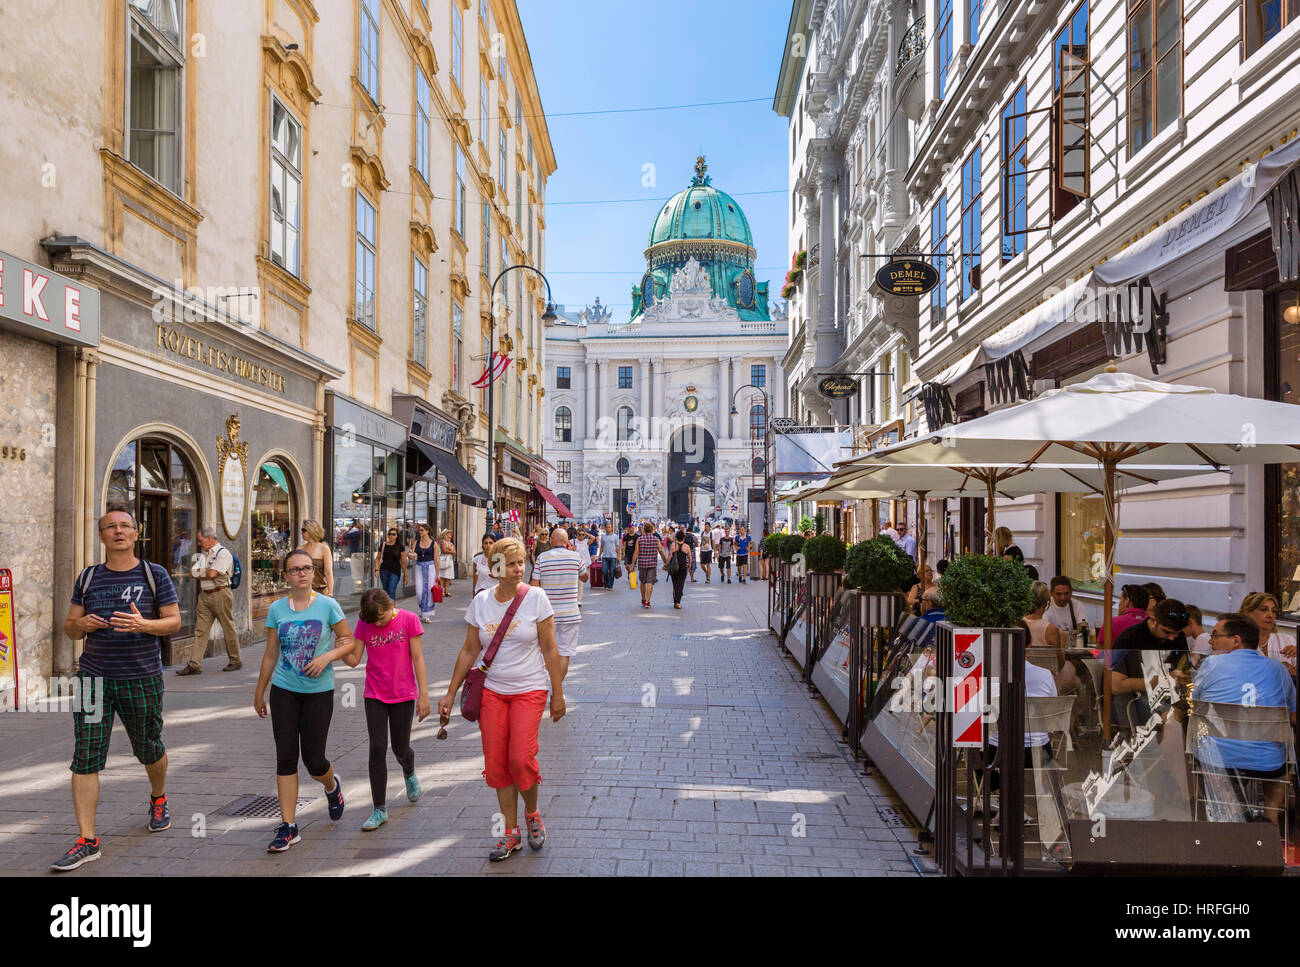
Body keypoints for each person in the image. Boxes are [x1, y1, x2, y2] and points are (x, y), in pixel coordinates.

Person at [52, 508, 181, 872]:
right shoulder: (89, 576)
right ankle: (87, 839)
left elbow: (174, 622)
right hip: (93, 680)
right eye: (111, 527)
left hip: (141, 677)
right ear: (101, 536)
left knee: (149, 747)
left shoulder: (154, 575)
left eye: (125, 526)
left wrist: (144, 624)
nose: (119, 531)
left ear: (136, 533)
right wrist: (82, 624)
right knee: (86, 754)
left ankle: (158, 797)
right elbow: (69, 628)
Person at [439, 538, 565, 861]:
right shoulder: (481, 603)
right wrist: (450, 692)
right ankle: (510, 832)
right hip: (493, 692)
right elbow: (470, 649)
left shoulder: (536, 598)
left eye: (521, 562)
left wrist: (558, 693)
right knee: (497, 763)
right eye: (511, 563)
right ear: (495, 568)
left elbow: (550, 649)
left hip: (530, 688)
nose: (519, 568)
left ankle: (533, 813)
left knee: (520, 758)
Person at [254, 548, 355, 853]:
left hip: (318, 692)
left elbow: (349, 643)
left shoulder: (328, 606)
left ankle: (331, 786)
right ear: (286, 575)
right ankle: (288, 826)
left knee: (313, 760)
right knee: (285, 757)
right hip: (284, 689)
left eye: (306, 568)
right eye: (295, 569)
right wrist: (260, 690)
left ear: (314, 573)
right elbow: (271, 652)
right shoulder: (276, 609)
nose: (301, 573)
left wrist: (327, 656)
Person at [1191, 613, 1297, 826]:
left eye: (1215, 635)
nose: (1210, 641)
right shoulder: (1278, 668)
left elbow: (1195, 703)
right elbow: (1292, 716)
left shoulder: (1211, 664)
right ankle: (1271, 814)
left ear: (1236, 641)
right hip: (1268, 762)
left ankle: (1228, 814)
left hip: (1218, 758)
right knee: (1280, 757)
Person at [347, 588, 429, 831]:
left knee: (401, 748)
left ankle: (409, 769)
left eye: (381, 618)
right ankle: (379, 808)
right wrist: (336, 650)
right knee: (377, 747)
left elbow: (418, 658)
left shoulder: (409, 620)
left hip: (403, 694)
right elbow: (354, 659)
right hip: (374, 694)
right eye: (374, 620)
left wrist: (423, 695)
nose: (378, 623)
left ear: (390, 604)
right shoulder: (365, 622)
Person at [1108, 599, 1191, 732]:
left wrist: (1184, 677)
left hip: (1169, 697)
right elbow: (1115, 685)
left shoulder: (1177, 636)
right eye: (1167, 632)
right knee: (1171, 718)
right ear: (1153, 620)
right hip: (1135, 700)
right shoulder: (1130, 638)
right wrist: (1161, 680)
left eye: (1176, 633)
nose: (1172, 638)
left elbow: (1184, 668)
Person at [180, 525, 240, 674]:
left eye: (201, 540)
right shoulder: (203, 554)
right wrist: (202, 572)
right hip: (205, 595)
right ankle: (194, 664)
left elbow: (212, 574)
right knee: (200, 630)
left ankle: (235, 660)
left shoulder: (223, 553)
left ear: (209, 538)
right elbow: (194, 572)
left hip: (221, 593)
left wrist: (201, 573)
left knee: (227, 627)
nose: (199, 544)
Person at [531, 527, 588, 679]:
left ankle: (546, 685)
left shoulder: (542, 558)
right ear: (567, 542)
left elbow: (534, 585)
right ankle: (557, 690)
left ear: (551, 541)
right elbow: (585, 577)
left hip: (546, 615)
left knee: (545, 652)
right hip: (570, 614)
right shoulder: (575, 557)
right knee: (564, 653)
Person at [1239, 591, 1298, 677]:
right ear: (1247, 612)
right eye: (1264, 609)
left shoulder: (1287, 640)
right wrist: (1278, 668)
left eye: (1274, 611)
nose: (1270, 615)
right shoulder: (1236, 641)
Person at [1024, 581, 1067, 670]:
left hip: (1022, 674)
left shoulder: (1019, 624)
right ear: (1046, 603)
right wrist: (1062, 642)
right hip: (1046, 677)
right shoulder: (1051, 629)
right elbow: (1059, 665)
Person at [635, 521, 669, 608]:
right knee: (650, 582)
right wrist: (666, 562)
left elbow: (636, 552)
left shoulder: (639, 539)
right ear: (651, 530)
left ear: (644, 530)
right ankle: (647, 601)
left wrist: (632, 564)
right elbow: (661, 551)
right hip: (652, 564)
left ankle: (643, 598)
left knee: (642, 582)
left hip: (642, 563)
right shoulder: (656, 539)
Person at [410, 523, 439, 622]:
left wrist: (438, 574)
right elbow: (411, 554)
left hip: (430, 568)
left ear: (427, 531)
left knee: (428, 591)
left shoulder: (434, 544)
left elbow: (436, 559)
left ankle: (427, 614)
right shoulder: (416, 542)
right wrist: (410, 556)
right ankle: (423, 609)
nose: (420, 532)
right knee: (419, 592)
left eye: (422, 530)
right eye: (420, 530)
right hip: (419, 567)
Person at [299, 519, 334, 597]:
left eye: (303, 530)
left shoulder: (324, 548)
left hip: (321, 591)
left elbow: (328, 572)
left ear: (311, 531)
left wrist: (330, 592)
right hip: (304, 591)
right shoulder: (300, 549)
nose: (301, 532)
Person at [373, 526, 408, 601]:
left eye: (393, 534)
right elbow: (377, 559)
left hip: (395, 571)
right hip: (384, 570)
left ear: (397, 536)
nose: (391, 536)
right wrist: (376, 569)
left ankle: (391, 610)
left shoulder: (400, 547)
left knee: (391, 590)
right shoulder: (383, 545)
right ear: (387, 535)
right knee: (385, 592)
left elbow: (403, 562)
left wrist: (406, 575)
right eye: (390, 534)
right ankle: (387, 609)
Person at [1044, 576, 1080, 641]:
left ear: (1071, 592)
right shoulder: (1046, 606)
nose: (1063, 598)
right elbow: (1045, 630)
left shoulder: (1078, 605)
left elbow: (1083, 628)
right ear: (1051, 593)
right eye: (1059, 594)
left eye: (1066, 593)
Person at [667, 528, 691, 609]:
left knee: (675, 585)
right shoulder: (687, 547)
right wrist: (689, 565)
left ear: (676, 537)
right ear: (684, 538)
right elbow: (690, 558)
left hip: (674, 568)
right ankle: (677, 602)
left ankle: (675, 601)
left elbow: (670, 556)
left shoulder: (673, 545)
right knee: (680, 585)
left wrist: (666, 564)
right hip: (683, 568)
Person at [598, 524, 620, 590]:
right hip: (605, 556)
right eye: (607, 527)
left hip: (613, 556)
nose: (608, 528)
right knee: (604, 571)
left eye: (609, 527)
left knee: (612, 572)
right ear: (605, 528)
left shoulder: (615, 536)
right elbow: (601, 546)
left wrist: (618, 556)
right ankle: (606, 583)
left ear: (612, 528)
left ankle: (610, 586)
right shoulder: (603, 537)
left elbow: (617, 547)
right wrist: (599, 555)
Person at [437, 529, 456, 598]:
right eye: (449, 533)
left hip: (449, 560)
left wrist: (450, 551)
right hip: (443, 559)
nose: (451, 535)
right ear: (446, 534)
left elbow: (454, 552)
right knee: (442, 576)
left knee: (448, 576)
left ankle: (447, 591)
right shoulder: (443, 542)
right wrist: (451, 551)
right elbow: (444, 550)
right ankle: (441, 591)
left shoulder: (450, 543)